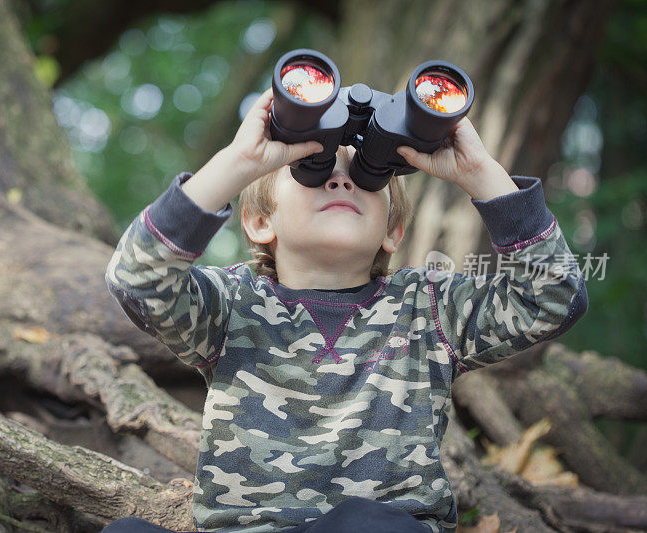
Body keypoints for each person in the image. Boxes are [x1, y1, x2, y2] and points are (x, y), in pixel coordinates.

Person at [102, 88, 588, 533]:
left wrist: (482, 174)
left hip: (381, 528)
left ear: (392, 231)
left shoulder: (430, 308)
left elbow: (553, 299)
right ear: (259, 220)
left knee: (365, 524)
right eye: (312, 170)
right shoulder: (229, 305)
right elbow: (137, 280)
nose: (340, 181)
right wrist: (238, 162)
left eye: (365, 176)